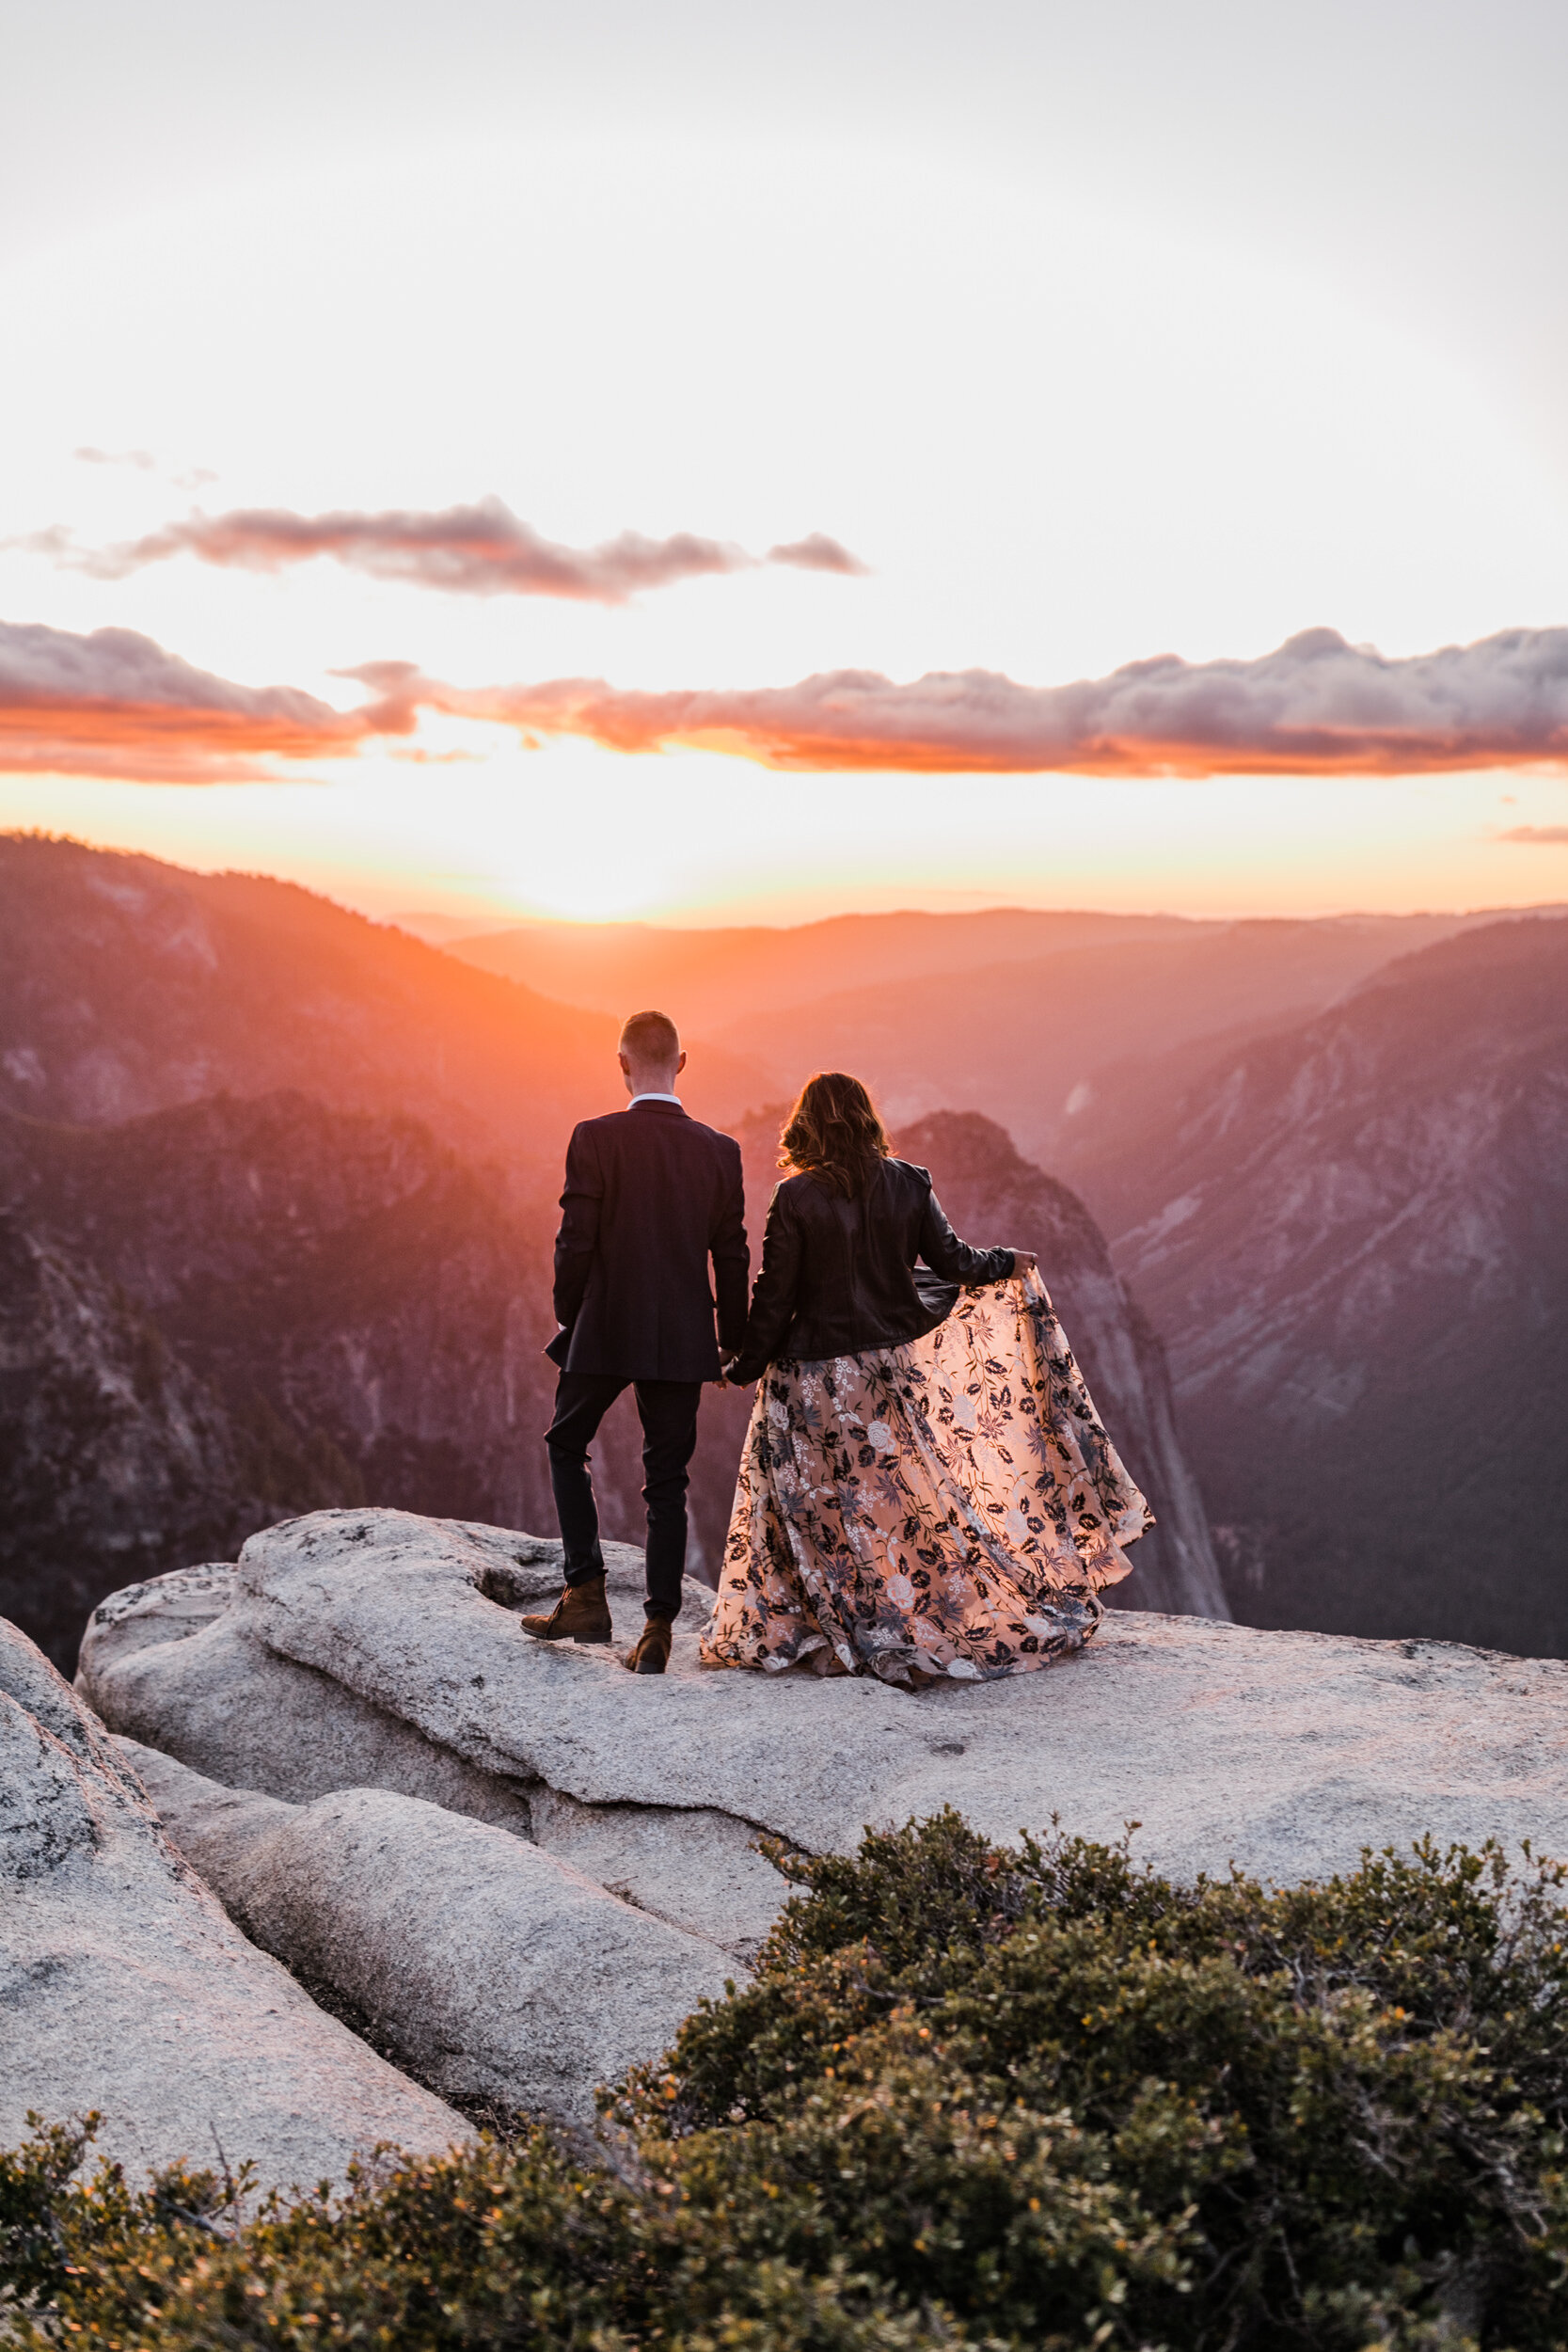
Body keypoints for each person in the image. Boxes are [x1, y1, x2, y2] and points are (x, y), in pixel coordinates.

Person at [700, 1071, 1151, 1687]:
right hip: (886, 1374)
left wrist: (740, 1366)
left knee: (817, 1510)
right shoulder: (907, 1183)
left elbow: (773, 1297)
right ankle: (911, 1622)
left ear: (804, 1124)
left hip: (811, 1383)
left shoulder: (796, 1197)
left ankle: (836, 1627)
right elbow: (954, 1262)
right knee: (896, 1504)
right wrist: (1006, 1262)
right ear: (864, 1118)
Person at [522, 1009, 748, 1673]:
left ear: (622, 1064)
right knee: (667, 1481)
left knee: (566, 1443)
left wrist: (571, 1314)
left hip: (605, 1321)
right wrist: (729, 1342)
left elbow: (575, 1239)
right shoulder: (719, 1151)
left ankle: (585, 1592)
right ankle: (657, 1631)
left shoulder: (594, 1138)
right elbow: (730, 1255)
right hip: (682, 1336)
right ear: (682, 1063)